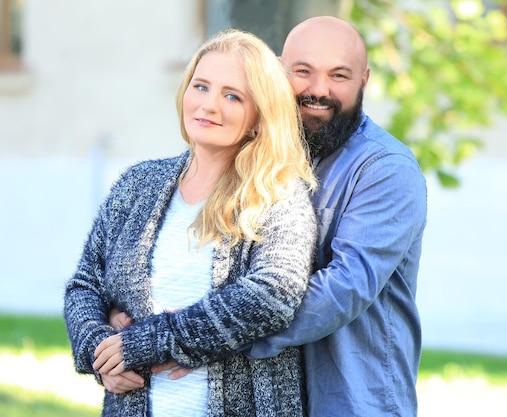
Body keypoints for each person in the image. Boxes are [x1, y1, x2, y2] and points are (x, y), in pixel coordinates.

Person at [63, 28, 317, 417]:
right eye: (201, 87)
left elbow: (272, 294)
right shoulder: (138, 185)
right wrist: (101, 352)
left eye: (232, 96)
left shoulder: (278, 195)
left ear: (259, 117)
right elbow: (84, 285)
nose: (209, 105)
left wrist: (151, 341)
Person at [245, 16, 427, 417]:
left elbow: (344, 288)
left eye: (338, 75)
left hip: (356, 402)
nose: (318, 90)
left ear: (364, 79)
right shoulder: (259, 156)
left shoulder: (385, 168)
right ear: (279, 70)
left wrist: (222, 334)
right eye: (303, 71)